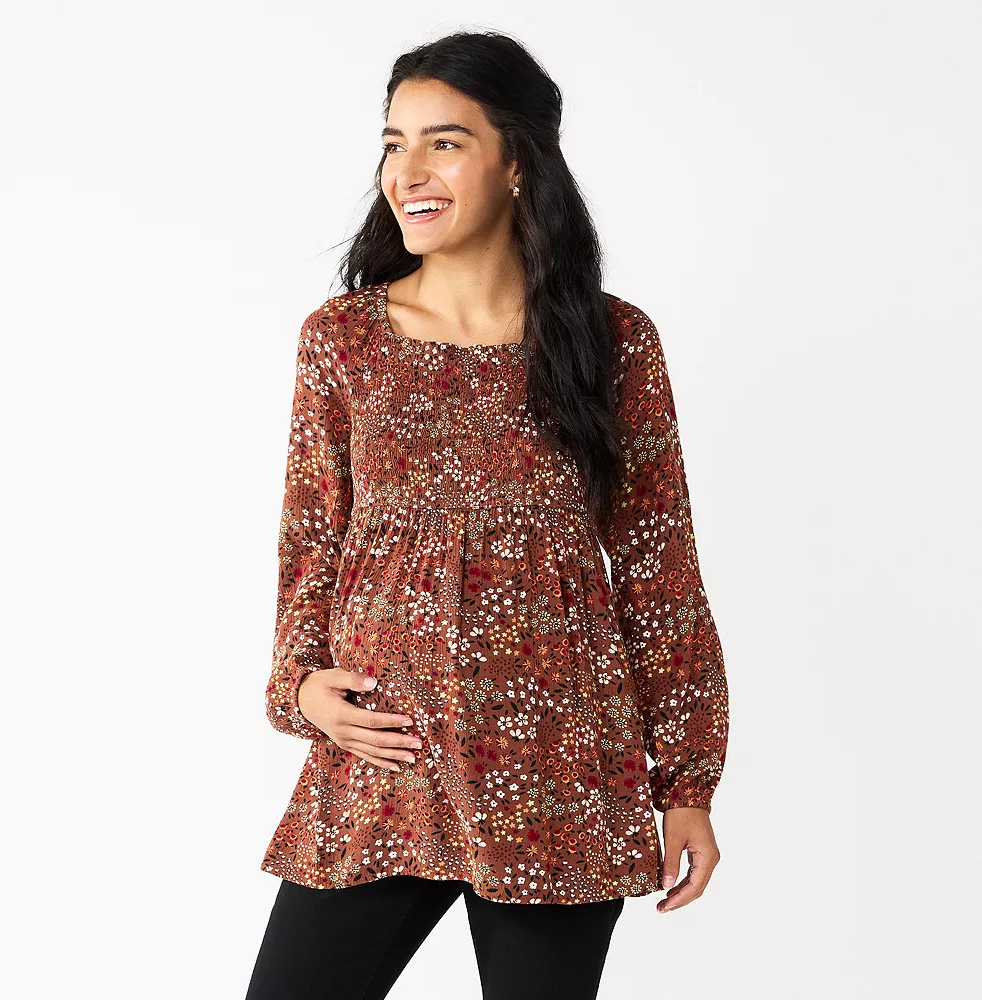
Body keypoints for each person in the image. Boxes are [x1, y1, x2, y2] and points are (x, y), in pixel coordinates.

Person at [246, 30, 730, 1000]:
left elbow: (658, 567)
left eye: (445, 141)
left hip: (559, 771)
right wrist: (299, 686)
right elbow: (311, 540)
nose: (407, 171)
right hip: (386, 758)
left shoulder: (612, 341)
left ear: (517, 163)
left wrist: (685, 781)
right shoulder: (345, 340)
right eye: (394, 143)